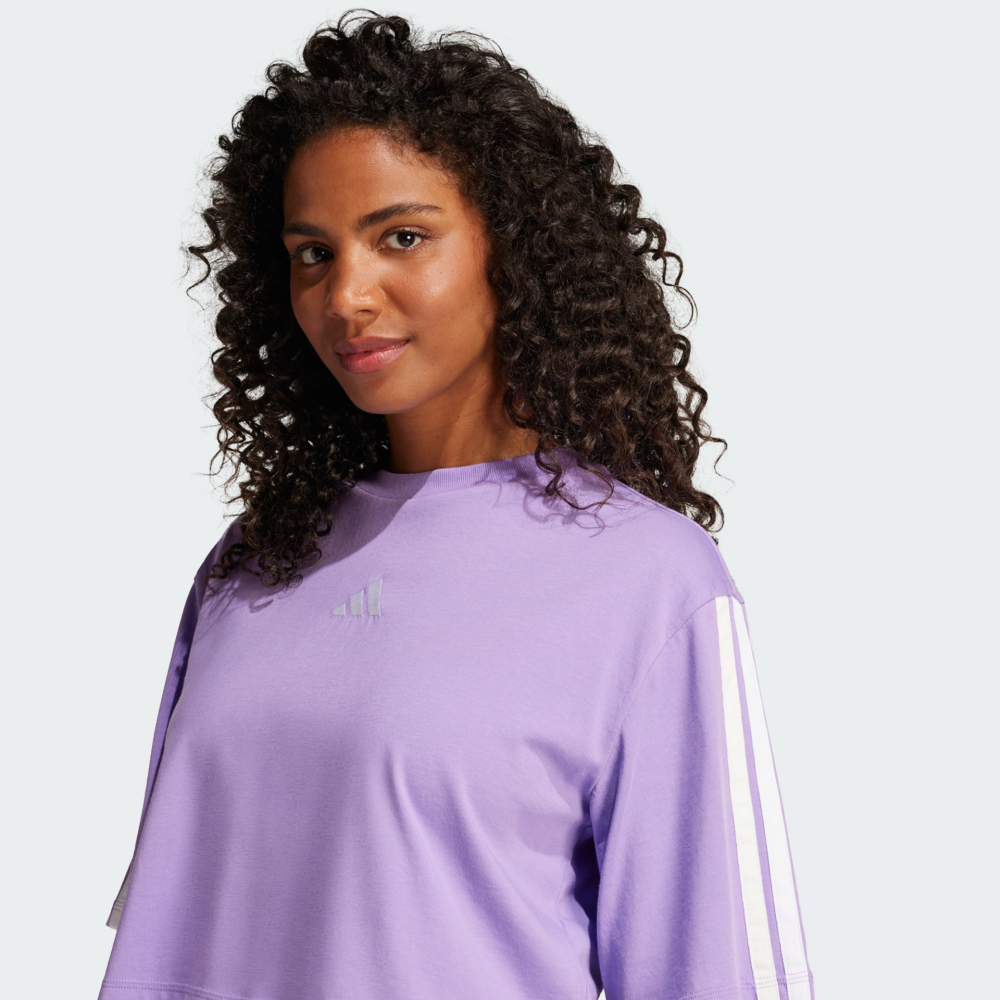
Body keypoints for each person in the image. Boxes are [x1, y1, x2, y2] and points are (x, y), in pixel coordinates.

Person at [98, 12, 813, 1000]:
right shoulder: (253, 563)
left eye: (402, 237)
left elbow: (712, 971)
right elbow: (171, 935)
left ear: (511, 250)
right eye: (312, 253)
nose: (346, 296)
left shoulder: (649, 583)